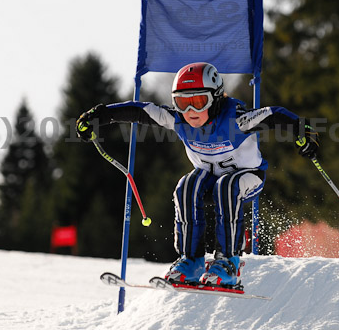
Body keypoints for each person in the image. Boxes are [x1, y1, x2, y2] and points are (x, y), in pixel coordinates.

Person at [76, 62, 319, 287]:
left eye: (199, 101)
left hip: (248, 178)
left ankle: (229, 262)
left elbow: (273, 115)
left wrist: (302, 131)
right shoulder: (178, 120)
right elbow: (141, 111)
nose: (191, 111)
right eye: (182, 103)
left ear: (215, 100)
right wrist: (100, 116)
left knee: (227, 186)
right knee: (186, 186)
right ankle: (191, 260)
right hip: (209, 180)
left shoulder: (236, 120)